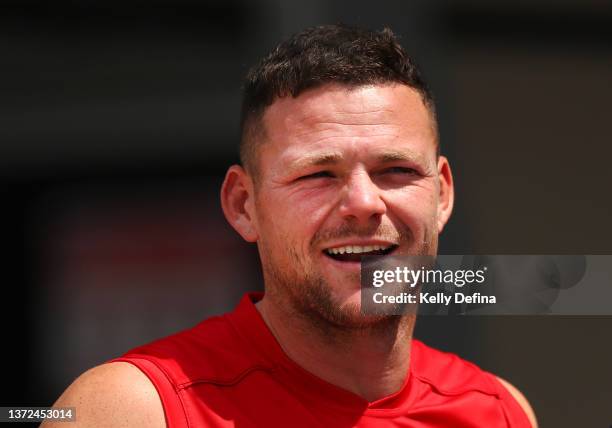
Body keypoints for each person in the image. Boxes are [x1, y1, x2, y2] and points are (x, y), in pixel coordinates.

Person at [45, 24, 538, 427]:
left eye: (398, 171)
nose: (365, 203)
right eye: (319, 174)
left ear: (443, 194)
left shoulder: (500, 411)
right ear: (244, 205)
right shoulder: (133, 411)